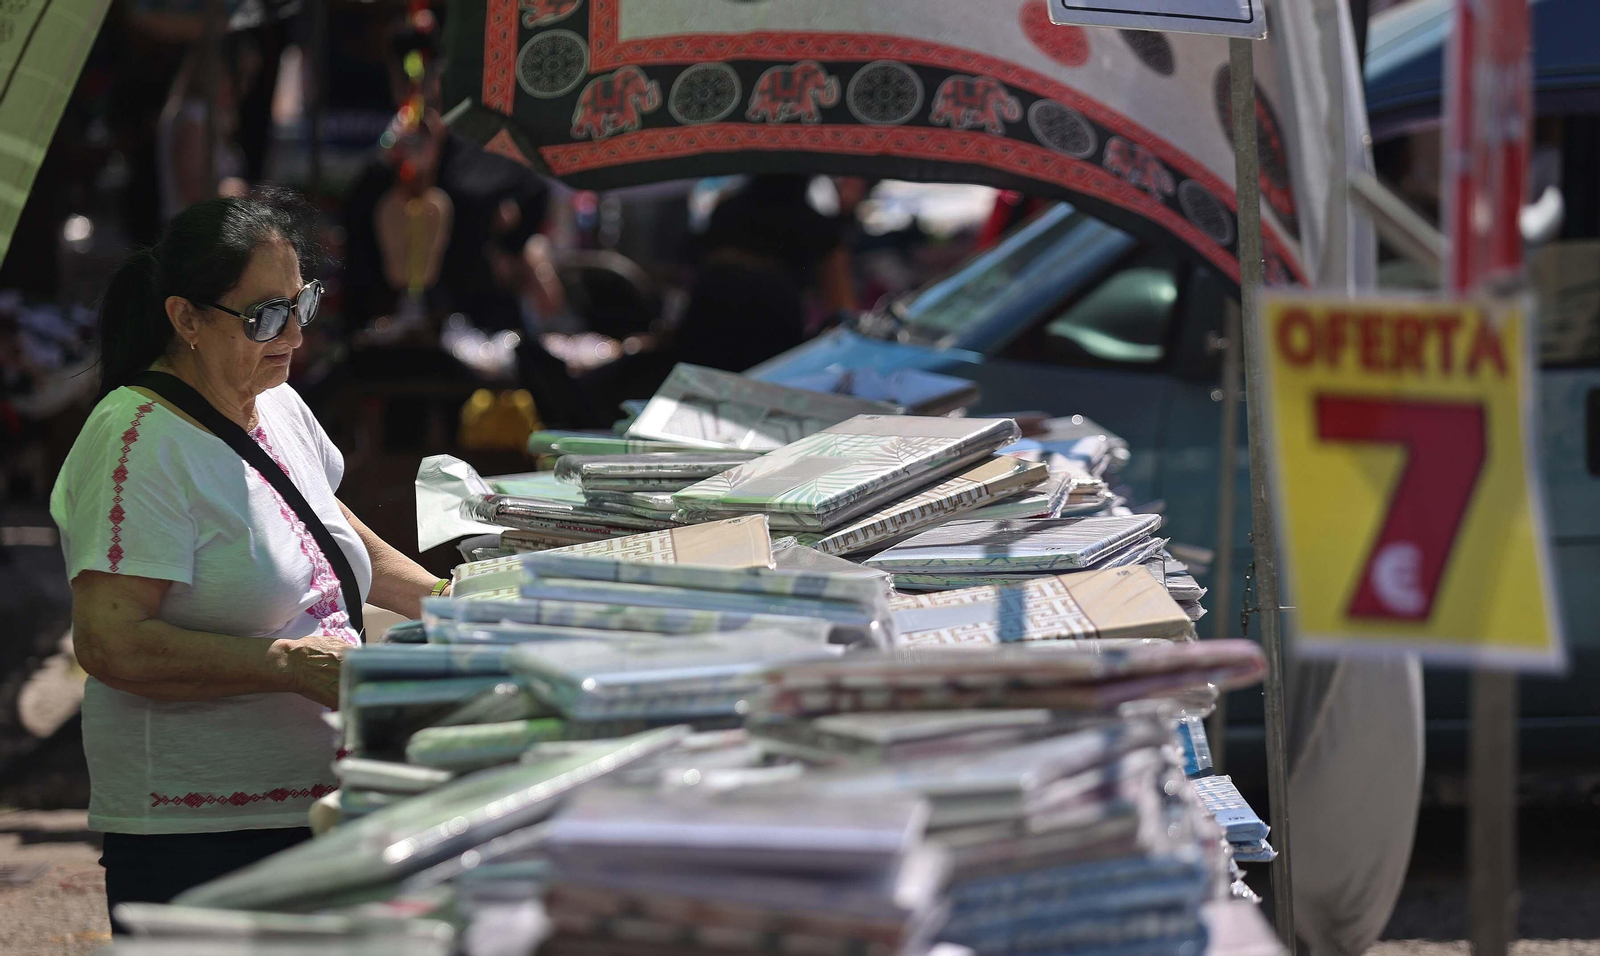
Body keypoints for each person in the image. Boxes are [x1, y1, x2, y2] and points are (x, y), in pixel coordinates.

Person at [48, 189, 449, 931]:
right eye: (264, 315)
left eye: (302, 304)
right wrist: (289, 664)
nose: (293, 333)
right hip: (200, 837)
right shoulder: (136, 442)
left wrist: (450, 601)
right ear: (186, 319)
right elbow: (109, 642)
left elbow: (325, 522)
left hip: (323, 801)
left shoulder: (278, 398)